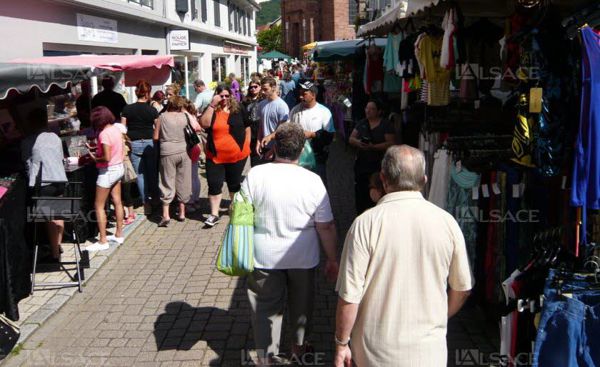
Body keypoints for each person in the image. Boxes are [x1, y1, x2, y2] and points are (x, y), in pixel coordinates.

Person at [334, 145, 473, 367]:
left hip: (374, 353)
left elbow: (350, 296)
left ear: (383, 178)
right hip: (428, 353)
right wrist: (437, 318)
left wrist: (341, 343)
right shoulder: (447, 223)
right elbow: (462, 288)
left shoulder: (365, 224)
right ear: (424, 179)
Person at [241, 122, 339, 366]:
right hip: (302, 256)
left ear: (275, 145)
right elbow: (325, 225)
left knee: (264, 309)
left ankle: (267, 357)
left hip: (263, 254)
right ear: (302, 148)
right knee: (302, 305)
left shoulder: (256, 174)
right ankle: (298, 348)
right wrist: (332, 258)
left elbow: (240, 214)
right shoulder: (313, 180)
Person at [199, 85, 250, 227]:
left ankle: (234, 209)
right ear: (216, 96)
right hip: (215, 156)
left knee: (234, 184)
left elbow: (247, 127)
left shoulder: (239, 108)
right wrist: (212, 105)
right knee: (214, 184)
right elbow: (204, 124)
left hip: (236, 155)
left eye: (227, 96)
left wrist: (245, 145)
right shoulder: (212, 109)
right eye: (221, 96)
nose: (224, 99)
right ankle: (214, 214)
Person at [21, 108, 68, 261]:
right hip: (60, 179)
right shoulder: (54, 137)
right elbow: (60, 158)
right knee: (58, 212)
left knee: (50, 217)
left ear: (31, 123)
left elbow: (27, 163)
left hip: (44, 182)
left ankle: (54, 253)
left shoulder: (28, 141)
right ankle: (57, 245)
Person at [154, 96, 201, 227]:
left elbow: (156, 136)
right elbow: (196, 128)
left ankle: (166, 215)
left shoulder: (162, 117)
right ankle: (182, 212)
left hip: (167, 151)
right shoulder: (185, 117)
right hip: (184, 151)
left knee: (167, 181)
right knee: (183, 180)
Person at [86, 107, 125, 251]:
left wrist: (94, 157)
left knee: (99, 206)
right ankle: (119, 234)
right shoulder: (115, 129)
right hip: (119, 168)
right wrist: (97, 148)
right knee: (117, 201)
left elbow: (106, 157)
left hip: (107, 171)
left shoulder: (103, 134)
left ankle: (103, 240)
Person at [348, 99, 395, 214]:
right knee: (361, 189)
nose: (368, 111)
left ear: (379, 111)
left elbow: (391, 143)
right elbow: (351, 139)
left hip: (378, 164)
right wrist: (359, 143)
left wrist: (373, 147)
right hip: (362, 164)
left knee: (378, 188)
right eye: (367, 108)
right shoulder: (362, 123)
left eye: (372, 109)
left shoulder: (385, 124)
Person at [121, 80, 160, 215]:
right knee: (152, 173)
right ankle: (155, 199)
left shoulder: (127, 109)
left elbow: (122, 129)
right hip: (149, 142)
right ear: (148, 93)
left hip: (134, 142)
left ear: (137, 92)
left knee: (140, 175)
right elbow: (157, 127)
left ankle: (146, 203)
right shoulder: (152, 109)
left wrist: (126, 142)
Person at [288, 81, 335, 185]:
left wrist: (312, 134)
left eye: (304, 94)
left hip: (317, 157)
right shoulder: (295, 110)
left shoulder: (324, 112)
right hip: (298, 157)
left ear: (313, 95)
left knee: (318, 184)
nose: (300, 97)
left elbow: (329, 136)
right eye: (300, 93)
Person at [256, 77, 289, 163]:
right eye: (262, 89)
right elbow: (261, 125)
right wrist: (258, 141)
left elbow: (283, 130)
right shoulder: (261, 104)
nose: (263, 92)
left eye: (265, 89)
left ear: (273, 88)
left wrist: (273, 150)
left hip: (277, 148)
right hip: (264, 146)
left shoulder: (282, 106)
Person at [184, 100, 202, 213]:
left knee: (189, 177)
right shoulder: (192, 114)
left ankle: (190, 202)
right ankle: (195, 200)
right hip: (196, 146)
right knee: (194, 176)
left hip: (190, 147)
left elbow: (196, 127)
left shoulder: (185, 115)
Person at [242, 77, 263, 167]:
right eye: (251, 87)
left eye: (255, 86)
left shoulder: (263, 100)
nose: (253, 89)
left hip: (259, 131)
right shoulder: (245, 101)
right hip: (248, 130)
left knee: (257, 156)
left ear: (260, 87)